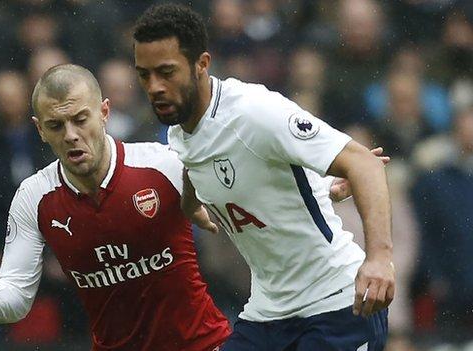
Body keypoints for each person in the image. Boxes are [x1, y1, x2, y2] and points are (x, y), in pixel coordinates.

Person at [0, 64, 231, 351]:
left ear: (104, 112)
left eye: (80, 119)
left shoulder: (165, 166)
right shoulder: (34, 197)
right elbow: (16, 299)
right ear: (40, 129)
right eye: (57, 125)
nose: (72, 135)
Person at [133, 4, 395, 351]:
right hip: (269, 314)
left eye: (166, 72)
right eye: (145, 75)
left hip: (337, 305)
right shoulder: (179, 134)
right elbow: (203, 163)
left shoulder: (253, 111)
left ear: (202, 64)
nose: (155, 87)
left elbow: (365, 165)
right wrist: (191, 204)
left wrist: (378, 259)